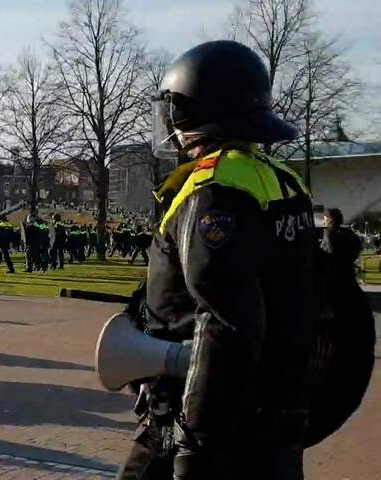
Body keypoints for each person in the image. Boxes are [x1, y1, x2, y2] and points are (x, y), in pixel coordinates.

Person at [121, 40, 316, 479]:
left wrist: (194, 444)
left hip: (204, 419)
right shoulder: (282, 181)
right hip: (274, 416)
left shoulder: (215, 189)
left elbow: (225, 321)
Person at [319, 208, 362, 275]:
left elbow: (327, 252)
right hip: (347, 270)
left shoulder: (329, 234)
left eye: (325, 218)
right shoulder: (349, 233)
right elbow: (358, 248)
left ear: (330, 220)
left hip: (333, 272)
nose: (324, 221)